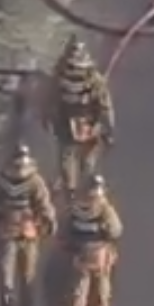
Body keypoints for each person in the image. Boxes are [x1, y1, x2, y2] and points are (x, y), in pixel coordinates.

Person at [0, 145, 57, 306]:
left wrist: (49, 220)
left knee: (25, 277)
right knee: (10, 278)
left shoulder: (33, 181)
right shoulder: (4, 181)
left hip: (24, 233)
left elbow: (43, 203)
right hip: (12, 233)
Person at [45, 37, 115, 198]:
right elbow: (105, 106)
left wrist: (48, 118)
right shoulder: (95, 80)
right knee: (87, 160)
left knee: (67, 157)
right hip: (88, 124)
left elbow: (50, 99)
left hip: (66, 124)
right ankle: (84, 187)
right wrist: (109, 130)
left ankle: (70, 191)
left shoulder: (58, 76)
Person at [62, 175, 123, 306]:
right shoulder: (104, 208)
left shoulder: (75, 207)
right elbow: (116, 230)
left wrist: (70, 244)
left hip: (81, 253)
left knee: (80, 286)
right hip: (99, 253)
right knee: (102, 282)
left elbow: (67, 229)